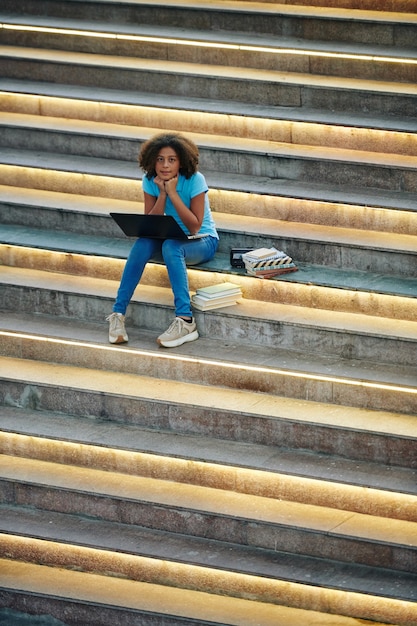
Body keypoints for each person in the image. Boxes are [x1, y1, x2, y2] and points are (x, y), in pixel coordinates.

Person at [107, 132, 219, 348]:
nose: (165, 165)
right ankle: (118, 314)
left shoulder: (196, 179)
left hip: (202, 241)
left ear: (181, 161)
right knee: (142, 243)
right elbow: (150, 222)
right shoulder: (150, 181)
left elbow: (194, 225)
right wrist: (162, 195)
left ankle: (185, 320)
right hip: (168, 236)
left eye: (171, 160)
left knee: (171, 246)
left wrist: (173, 194)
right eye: (160, 159)